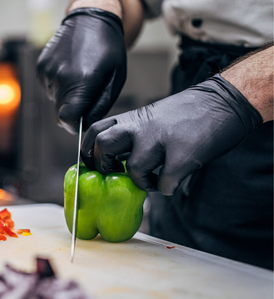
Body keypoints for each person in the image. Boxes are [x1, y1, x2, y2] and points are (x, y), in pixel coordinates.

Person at [36, 0, 273, 269]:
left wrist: (235, 96)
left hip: (261, 112)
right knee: (175, 267)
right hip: (195, 79)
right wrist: (99, 11)